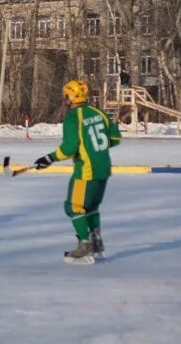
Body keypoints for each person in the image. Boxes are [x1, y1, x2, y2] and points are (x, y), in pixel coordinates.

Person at [33, 79, 122, 265]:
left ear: (71, 97)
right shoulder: (99, 112)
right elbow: (115, 138)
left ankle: (84, 245)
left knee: (73, 206)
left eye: (66, 96)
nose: (65, 100)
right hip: (104, 169)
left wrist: (49, 158)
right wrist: (97, 148)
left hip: (86, 171)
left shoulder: (73, 117)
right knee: (91, 207)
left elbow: (69, 148)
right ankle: (97, 243)